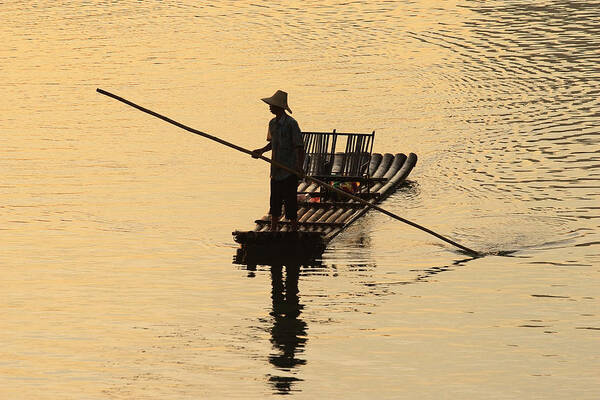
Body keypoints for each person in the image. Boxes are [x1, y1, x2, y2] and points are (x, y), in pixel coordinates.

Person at [252, 90, 305, 231]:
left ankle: (294, 230)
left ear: (279, 107)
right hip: (276, 170)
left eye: (272, 105)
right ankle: (273, 230)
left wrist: (299, 168)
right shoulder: (272, 123)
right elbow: (273, 143)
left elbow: (300, 147)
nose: (269, 107)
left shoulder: (291, 124)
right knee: (274, 202)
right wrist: (261, 151)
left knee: (290, 203)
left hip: (289, 170)